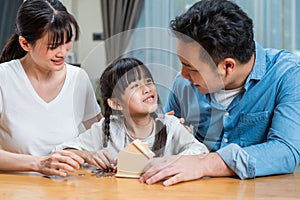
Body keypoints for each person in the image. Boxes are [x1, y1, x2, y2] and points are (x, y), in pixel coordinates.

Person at [140, 0, 300, 186]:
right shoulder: (183, 84)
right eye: (181, 63)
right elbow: (165, 150)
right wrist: (168, 137)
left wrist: (204, 164)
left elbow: (286, 151)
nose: (183, 75)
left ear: (227, 67)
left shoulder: (287, 75)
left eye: (190, 67)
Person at [0, 0, 101, 176]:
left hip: (66, 190)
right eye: (53, 46)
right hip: (15, 189)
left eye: (67, 42)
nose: (63, 53)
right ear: (25, 44)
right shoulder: (4, 78)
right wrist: (39, 163)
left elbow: (102, 133)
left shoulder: (78, 78)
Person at [55, 57, 208, 170]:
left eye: (148, 81)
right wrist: (87, 155)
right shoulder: (106, 129)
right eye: (135, 86)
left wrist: (167, 162)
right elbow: (61, 151)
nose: (147, 88)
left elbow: (200, 151)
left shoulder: (170, 125)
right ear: (115, 103)